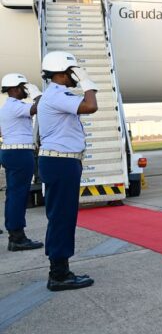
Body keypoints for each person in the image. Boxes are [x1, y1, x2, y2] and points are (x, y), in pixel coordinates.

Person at [38, 51, 98, 291]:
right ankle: (59, 274)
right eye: (73, 72)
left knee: (60, 216)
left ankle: (59, 268)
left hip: (61, 162)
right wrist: (87, 82)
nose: (75, 76)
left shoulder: (54, 95)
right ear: (63, 73)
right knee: (62, 217)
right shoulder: (57, 94)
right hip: (61, 163)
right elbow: (91, 106)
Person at [0, 73, 43, 251]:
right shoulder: (15, 106)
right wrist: (37, 94)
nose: (25, 90)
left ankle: (14, 234)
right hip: (19, 152)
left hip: (11, 152)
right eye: (23, 87)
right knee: (18, 195)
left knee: (13, 194)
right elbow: (41, 107)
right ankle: (17, 238)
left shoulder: (7, 107)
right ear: (15, 89)